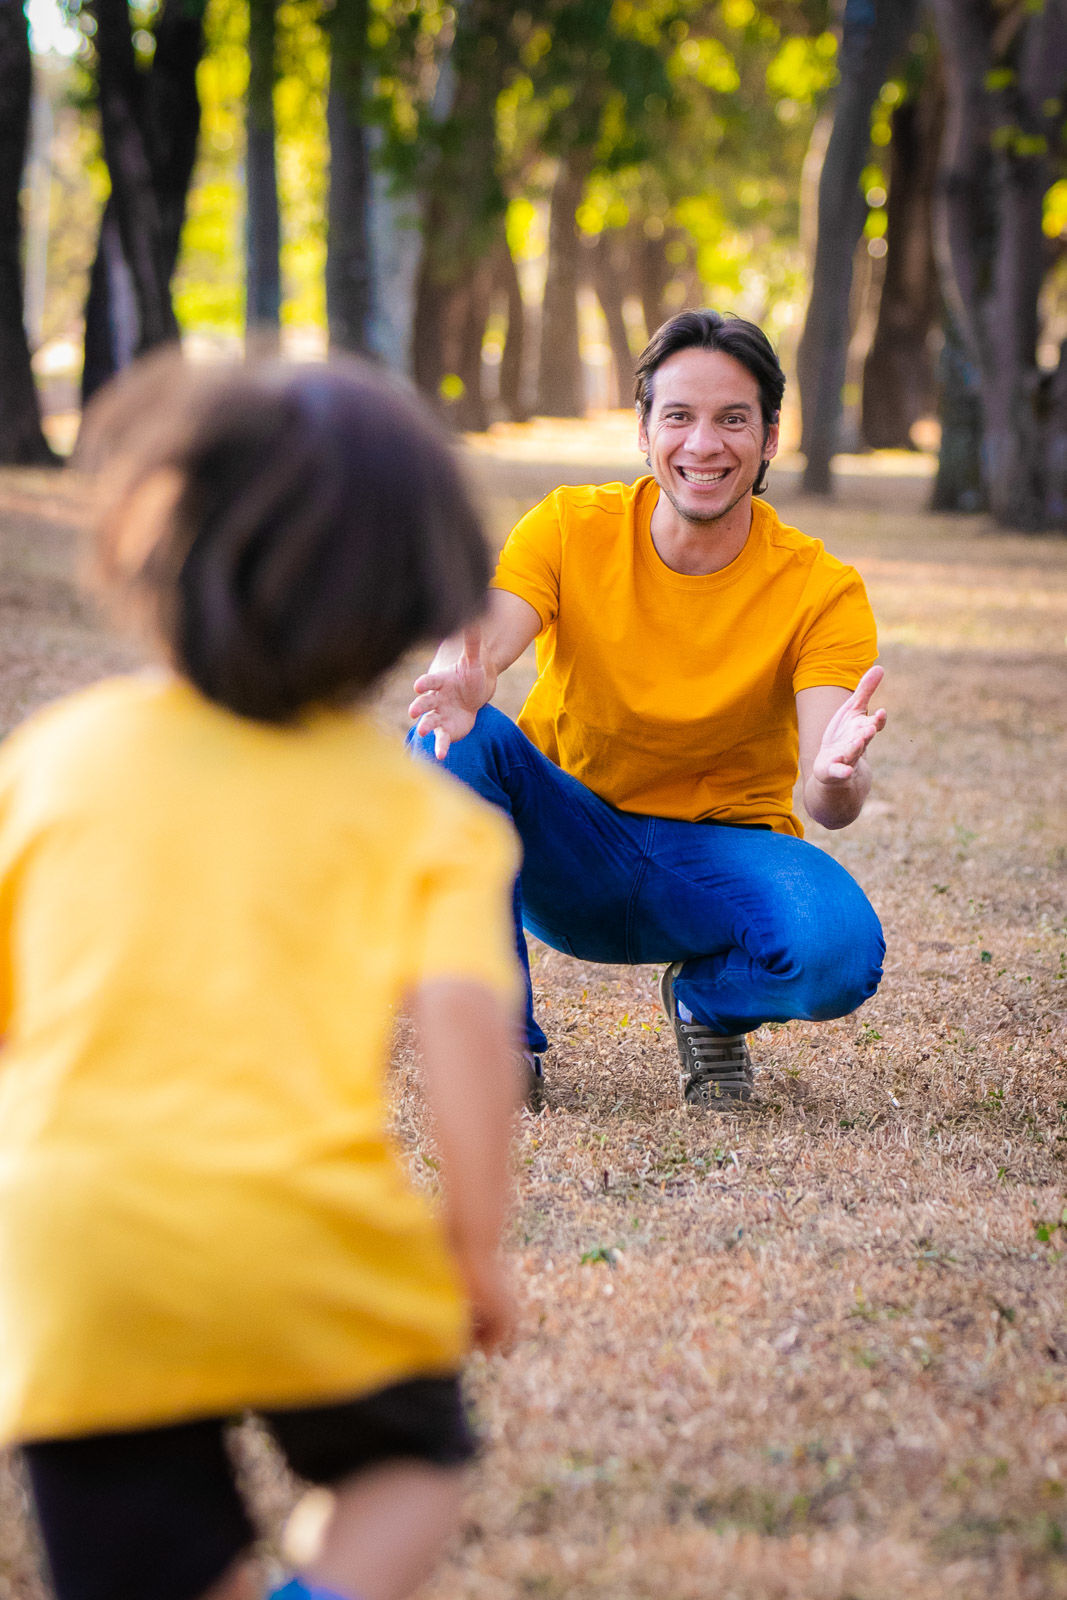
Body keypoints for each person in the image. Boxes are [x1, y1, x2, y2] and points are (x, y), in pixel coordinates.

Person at [0, 353, 522, 1600]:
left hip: (77, 1255)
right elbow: (467, 1038)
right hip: (303, 1238)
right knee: (409, 1465)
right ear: (411, 594)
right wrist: (474, 1251)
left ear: (152, 546)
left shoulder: (54, 762)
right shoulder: (422, 816)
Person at [410, 308, 887, 1107]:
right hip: (566, 849)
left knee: (835, 953)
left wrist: (838, 777)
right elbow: (478, 649)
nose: (704, 445)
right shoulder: (569, 527)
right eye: (679, 417)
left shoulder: (820, 591)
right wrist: (460, 678)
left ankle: (708, 1000)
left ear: (769, 438)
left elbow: (825, 796)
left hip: (713, 868)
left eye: (733, 420)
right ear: (643, 431)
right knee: (448, 736)